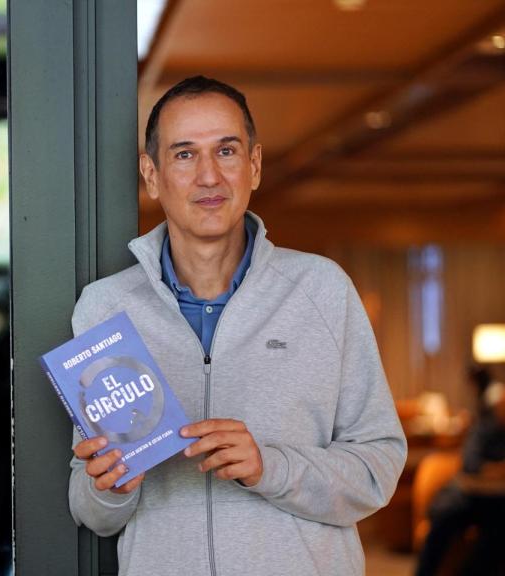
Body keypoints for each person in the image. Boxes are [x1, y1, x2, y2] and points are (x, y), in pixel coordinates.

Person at [67, 75, 408, 575]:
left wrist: (269, 466)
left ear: (253, 166)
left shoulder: (322, 290)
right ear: (152, 174)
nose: (209, 176)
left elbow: (377, 469)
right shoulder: (104, 308)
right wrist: (110, 488)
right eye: (184, 154)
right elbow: (90, 507)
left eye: (226, 151)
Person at [415, 383, 505, 576]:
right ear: (499, 410)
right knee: (443, 521)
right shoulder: (485, 431)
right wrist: (502, 470)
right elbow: (470, 464)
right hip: (472, 500)